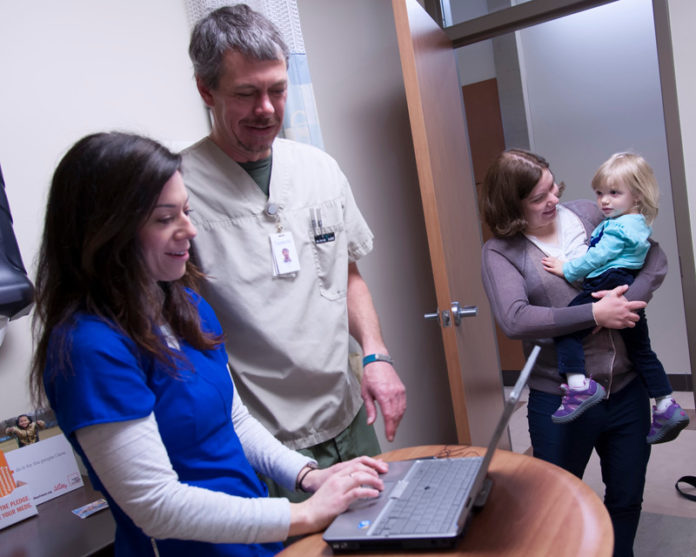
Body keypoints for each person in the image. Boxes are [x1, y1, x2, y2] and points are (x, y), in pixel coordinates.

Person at [30, 132, 387, 557]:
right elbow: (155, 505)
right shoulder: (89, 348)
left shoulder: (185, 306)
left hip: (252, 541)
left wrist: (308, 476)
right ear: (107, 232)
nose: (190, 230)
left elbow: (234, 422)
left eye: (187, 211)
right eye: (165, 219)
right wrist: (305, 514)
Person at [181, 4, 406, 500]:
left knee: (383, 533)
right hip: (265, 441)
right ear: (206, 90)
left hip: (347, 414)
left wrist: (376, 355)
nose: (267, 108)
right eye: (246, 93)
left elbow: (347, 274)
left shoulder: (318, 168)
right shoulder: (177, 190)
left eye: (277, 90)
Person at [480, 149, 668, 557]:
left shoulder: (588, 213)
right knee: (557, 505)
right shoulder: (501, 252)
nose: (553, 200)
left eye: (554, 187)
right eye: (538, 197)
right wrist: (595, 314)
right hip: (560, 402)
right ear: (511, 205)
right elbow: (515, 319)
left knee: (625, 499)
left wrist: (622, 304)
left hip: (626, 391)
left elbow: (654, 258)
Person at [541, 152, 689, 442]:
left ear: (637, 196)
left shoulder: (619, 228)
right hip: (624, 283)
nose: (604, 201)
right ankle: (665, 404)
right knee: (641, 351)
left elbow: (596, 258)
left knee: (566, 328)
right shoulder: (636, 223)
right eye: (600, 193)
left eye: (614, 193)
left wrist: (567, 269)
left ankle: (577, 384)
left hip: (607, 282)